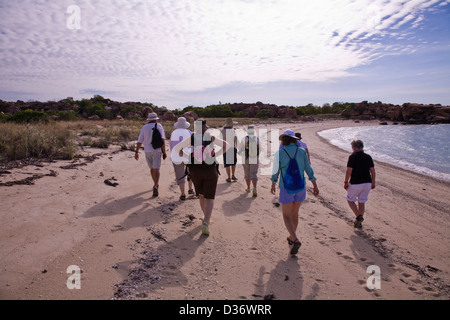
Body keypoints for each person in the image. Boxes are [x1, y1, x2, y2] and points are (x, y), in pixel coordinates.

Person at [271, 129, 319, 255]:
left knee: (286, 216)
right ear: (294, 140)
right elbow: (308, 168)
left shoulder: (280, 153)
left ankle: (295, 238)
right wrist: (314, 184)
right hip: (300, 187)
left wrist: (273, 183)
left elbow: (275, 171)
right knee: (295, 213)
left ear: (283, 140)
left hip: (286, 188)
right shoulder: (302, 151)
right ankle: (292, 237)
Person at [181, 119, 231, 236]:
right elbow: (226, 145)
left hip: (195, 170)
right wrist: (216, 155)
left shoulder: (192, 138)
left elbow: (178, 150)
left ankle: (205, 216)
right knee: (210, 197)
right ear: (205, 128)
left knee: (201, 194)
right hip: (209, 169)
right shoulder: (211, 137)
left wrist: (188, 158)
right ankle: (206, 223)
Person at [344, 140, 376, 229]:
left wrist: (346, 182)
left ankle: (358, 216)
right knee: (362, 201)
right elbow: (373, 171)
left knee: (350, 200)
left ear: (354, 148)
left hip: (355, 182)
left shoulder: (352, 157)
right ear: (362, 147)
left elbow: (349, 171)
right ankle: (358, 222)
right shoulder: (368, 157)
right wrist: (373, 182)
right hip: (367, 183)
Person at [135, 112, 167, 197]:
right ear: (156, 119)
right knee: (157, 168)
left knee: (152, 168)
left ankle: (155, 183)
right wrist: (164, 152)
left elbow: (139, 141)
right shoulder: (159, 126)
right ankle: (156, 185)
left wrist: (136, 152)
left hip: (147, 150)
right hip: (157, 150)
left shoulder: (144, 127)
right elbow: (162, 140)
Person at [169, 117, 194, 200]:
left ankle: (183, 193)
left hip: (176, 156)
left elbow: (171, 145)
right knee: (190, 172)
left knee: (180, 175)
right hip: (188, 155)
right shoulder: (189, 132)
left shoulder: (173, 133)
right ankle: (190, 189)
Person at [240, 125, 260, 197]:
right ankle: (254, 188)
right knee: (253, 173)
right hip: (254, 157)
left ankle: (248, 188)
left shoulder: (244, 139)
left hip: (246, 157)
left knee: (247, 173)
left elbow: (240, 148)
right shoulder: (257, 139)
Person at [221, 118, 238, 183]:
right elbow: (235, 140)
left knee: (227, 163)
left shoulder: (222, 131)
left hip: (225, 148)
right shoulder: (233, 131)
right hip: (233, 148)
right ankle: (233, 175)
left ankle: (229, 177)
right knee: (233, 163)